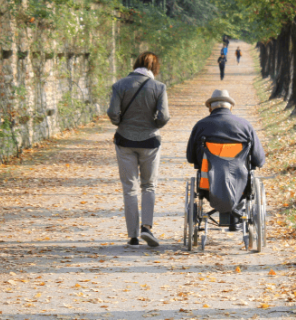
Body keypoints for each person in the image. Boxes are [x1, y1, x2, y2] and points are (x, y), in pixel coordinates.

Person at [107, 52, 170, 248]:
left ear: (135, 65)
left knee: (130, 189)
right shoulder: (159, 87)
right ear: (155, 68)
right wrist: (154, 125)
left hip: (125, 140)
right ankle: (147, 228)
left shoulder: (120, 85)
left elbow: (112, 113)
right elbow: (164, 116)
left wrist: (120, 123)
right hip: (150, 142)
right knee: (149, 186)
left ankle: (133, 236)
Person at [186, 89, 265, 230]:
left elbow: (191, 158)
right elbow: (259, 160)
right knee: (239, 174)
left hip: (208, 184)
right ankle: (235, 219)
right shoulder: (245, 126)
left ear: (210, 107)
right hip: (240, 185)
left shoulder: (201, 126)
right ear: (231, 107)